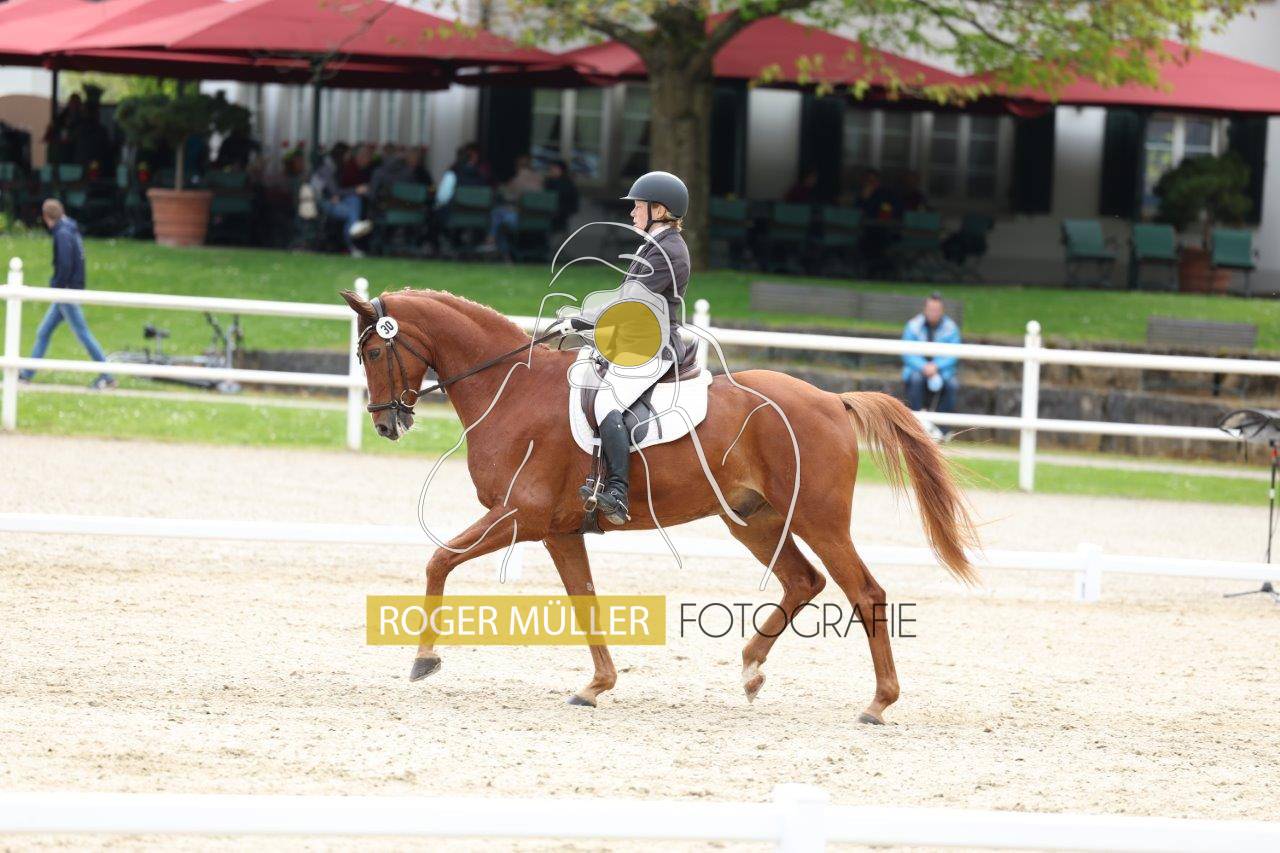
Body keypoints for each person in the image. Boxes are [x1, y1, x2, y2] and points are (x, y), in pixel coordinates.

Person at [575, 170, 691, 526]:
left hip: (653, 346)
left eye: (638, 206)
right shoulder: (654, 244)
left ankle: (618, 492)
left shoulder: (668, 251)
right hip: (635, 340)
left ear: (659, 210)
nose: (632, 212)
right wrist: (584, 318)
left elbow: (632, 301)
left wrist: (589, 319)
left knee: (607, 400)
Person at [19, 200, 116, 390]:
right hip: (70, 289)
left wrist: (56, 286)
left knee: (83, 334)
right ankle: (26, 374)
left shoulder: (62, 233)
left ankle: (108, 376)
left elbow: (64, 264)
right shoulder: (71, 229)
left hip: (66, 291)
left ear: (46, 216)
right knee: (44, 331)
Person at [901, 293, 960, 420]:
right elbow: (907, 353)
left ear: (942, 311)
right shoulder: (913, 326)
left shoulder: (951, 328)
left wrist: (936, 366)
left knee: (952, 385)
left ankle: (942, 426)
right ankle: (915, 423)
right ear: (925, 309)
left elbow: (953, 355)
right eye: (931, 309)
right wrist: (923, 366)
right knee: (915, 380)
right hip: (916, 370)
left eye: (936, 310)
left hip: (943, 371)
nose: (933, 313)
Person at [309, 142, 373, 257]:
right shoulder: (327, 167)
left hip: (333, 199)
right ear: (341, 154)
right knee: (352, 212)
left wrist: (352, 193)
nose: (349, 158)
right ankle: (351, 244)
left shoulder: (336, 167)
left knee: (354, 200)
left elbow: (337, 192)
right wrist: (357, 190)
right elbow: (333, 192)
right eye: (347, 155)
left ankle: (353, 232)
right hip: (321, 202)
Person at [484, 154, 544, 257]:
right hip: (540, 220)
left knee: (497, 214)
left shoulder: (517, 180)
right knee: (500, 217)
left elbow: (508, 196)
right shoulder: (539, 179)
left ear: (517, 166)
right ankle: (494, 244)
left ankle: (496, 247)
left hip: (521, 219)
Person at [543, 159, 579, 232]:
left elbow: (570, 201)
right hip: (552, 212)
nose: (551, 170)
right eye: (550, 168)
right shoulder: (550, 181)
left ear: (561, 170)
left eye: (554, 168)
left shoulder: (566, 183)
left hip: (561, 213)